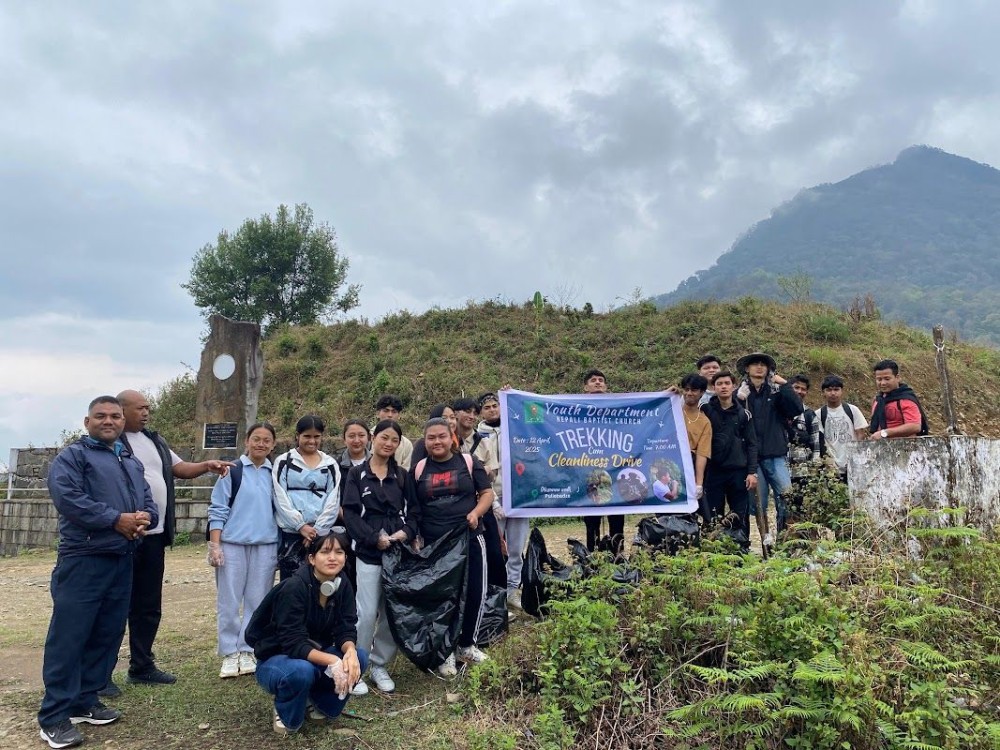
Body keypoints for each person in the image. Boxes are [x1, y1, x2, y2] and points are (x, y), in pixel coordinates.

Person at [38, 396, 158, 750]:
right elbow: (69, 498)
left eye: (115, 416)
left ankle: (84, 700)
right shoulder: (72, 457)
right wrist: (115, 519)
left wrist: (144, 517)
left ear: (123, 422)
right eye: (101, 416)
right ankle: (54, 716)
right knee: (70, 637)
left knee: (106, 633)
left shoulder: (126, 457)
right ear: (87, 421)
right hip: (84, 559)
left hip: (122, 558)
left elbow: (146, 496)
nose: (109, 421)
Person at [112, 389, 230, 692]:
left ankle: (141, 665)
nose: (147, 412)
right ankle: (99, 673)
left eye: (148, 407)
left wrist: (206, 465)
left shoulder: (154, 440)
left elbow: (178, 469)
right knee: (113, 603)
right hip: (124, 536)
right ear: (122, 410)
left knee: (148, 603)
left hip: (153, 537)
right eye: (140, 408)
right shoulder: (112, 443)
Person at [246, 531, 368, 734]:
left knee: (360, 657)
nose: (332, 557)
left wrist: (350, 652)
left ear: (346, 557)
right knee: (301, 671)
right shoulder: (294, 587)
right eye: (325, 552)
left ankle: (319, 702)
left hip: (311, 655)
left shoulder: (343, 583)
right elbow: (293, 643)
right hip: (278, 658)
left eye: (339, 552)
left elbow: (345, 628)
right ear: (311, 558)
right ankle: (284, 708)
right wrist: (333, 660)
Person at [341, 420, 419, 696]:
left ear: (399, 444)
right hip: (369, 552)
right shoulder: (356, 475)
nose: (388, 444)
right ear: (373, 438)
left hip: (398, 553)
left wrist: (403, 534)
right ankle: (357, 666)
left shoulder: (402, 476)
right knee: (365, 612)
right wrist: (374, 538)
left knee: (391, 612)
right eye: (384, 438)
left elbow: (414, 515)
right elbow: (350, 514)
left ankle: (380, 664)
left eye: (394, 440)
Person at [413, 417, 495, 677]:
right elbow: (413, 507)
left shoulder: (468, 463)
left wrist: (476, 513)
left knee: (475, 590)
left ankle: (467, 645)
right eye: (431, 438)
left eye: (442, 436)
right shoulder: (418, 469)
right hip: (436, 544)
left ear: (452, 438)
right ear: (425, 442)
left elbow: (487, 494)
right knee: (442, 596)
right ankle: (445, 651)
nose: (437, 442)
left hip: (470, 537)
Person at [207, 422, 280, 679]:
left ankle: (248, 648)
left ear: (273, 444)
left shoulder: (276, 473)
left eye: (266, 440)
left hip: (266, 546)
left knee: (258, 602)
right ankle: (229, 651)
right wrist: (215, 544)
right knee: (228, 600)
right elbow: (218, 508)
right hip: (233, 545)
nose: (261, 444)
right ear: (246, 441)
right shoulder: (232, 471)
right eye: (256, 439)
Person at [735, 352, 802, 543]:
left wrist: (785, 385)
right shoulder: (740, 394)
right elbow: (732, 420)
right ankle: (765, 542)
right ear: (747, 369)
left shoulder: (776, 393)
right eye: (754, 364)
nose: (759, 367)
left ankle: (787, 539)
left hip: (776, 454)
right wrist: (739, 400)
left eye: (763, 365)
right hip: (752, 459)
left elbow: (797, 409)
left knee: (786, 497)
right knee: (759, 504)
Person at [272, 415, 342, 581]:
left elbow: (333, 499)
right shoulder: (284, 462)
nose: (312, 441)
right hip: (291, 534)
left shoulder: (330, 464)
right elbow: (279, 497)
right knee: (292, 583)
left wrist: (317, 530)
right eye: (307, 436)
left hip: (320, 534)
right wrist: (300, 526)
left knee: (321, 582)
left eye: (316, 436)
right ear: (297, 436)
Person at [478, 391, 528, 614]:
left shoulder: (515, 428)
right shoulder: (477, 435)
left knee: (516, 548)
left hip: (519, 496)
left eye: (495, 406)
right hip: (491, 499)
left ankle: (512, 590)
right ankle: (494, 593)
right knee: (495, 551)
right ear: (480, 412)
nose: (492, 410)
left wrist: (513, 395)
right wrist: (493, 501)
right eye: (487, 407)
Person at [579, 369, 625, 553]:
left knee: (617, 520)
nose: (597, 382)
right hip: (589, 473)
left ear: (606, 386)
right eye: (593, 380)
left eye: (601, 380)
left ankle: (618, 558)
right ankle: (593, 560)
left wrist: (667, 395)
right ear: (585, 387)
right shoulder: (576, 409)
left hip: (614, 470)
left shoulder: (618, 407)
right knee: (591, 522)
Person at [785, 375, 821, 529]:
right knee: (783, 508)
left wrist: (814, 470)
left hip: (801, 471)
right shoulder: (778, 411)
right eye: (796, 387)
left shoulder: (809, 415)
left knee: (799, 507)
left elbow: (816, 444)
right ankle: (782, 540)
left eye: (803, 389)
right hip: (780, 468)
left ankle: (800, 541)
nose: (799, 391)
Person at [817, 375, 868, 481]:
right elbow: (820, 440)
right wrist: (827, 461)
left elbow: (860, 434)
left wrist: (857, 457)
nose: (833, 393)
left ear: (842, 391)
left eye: (836, 389)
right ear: (823, 392)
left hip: (853, 464)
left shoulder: (852, 410)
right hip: (831, 466)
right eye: (829, 390)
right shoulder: (819, 414)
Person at [869, 359, 926, 440]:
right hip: (881, 448)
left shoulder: (906, 400)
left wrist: (885, 433)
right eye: (879, 379)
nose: (883, 383)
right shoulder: (877, 400)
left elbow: (915, 426)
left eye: (887, 379)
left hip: (905, 448)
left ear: (897, 378)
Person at [678, 373, 712, 505]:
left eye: (694, 390)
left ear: (702, 393)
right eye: (686, 389)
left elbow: (702, 454)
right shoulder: (672, 411)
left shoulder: (705, 422)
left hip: (689, 468)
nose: (689, 393)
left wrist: (699, 483)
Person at [374, 395, 414, 469]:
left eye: (394, 412)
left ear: (399, 415)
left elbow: (405, 473)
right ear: (378, 413)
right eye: (386, 411)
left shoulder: (406, 444)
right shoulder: (366, 438)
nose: (390, 415)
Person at [335, 419, 370, 491]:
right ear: (344, 439)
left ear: (368, 438)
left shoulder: (378, 464)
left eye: (361, 435)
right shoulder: (336, 467)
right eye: (351, 436)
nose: (357, 440)